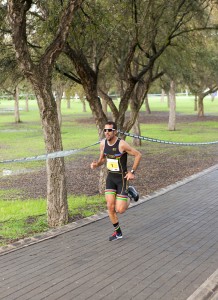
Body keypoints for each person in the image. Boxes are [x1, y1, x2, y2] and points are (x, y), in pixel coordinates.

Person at [90, 121, 142, 241]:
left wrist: (132, 172)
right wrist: (96, 164)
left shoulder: (122, 144)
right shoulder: (103, 144)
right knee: (110, 207)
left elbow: (138, 154)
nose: (107, 132)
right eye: (105, 130)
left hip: (122, 179)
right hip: (111, 178)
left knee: (120, 210)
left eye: (109, 130)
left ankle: (129, 192)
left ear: (115, 131)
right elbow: (102, 159)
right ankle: (118, 233)